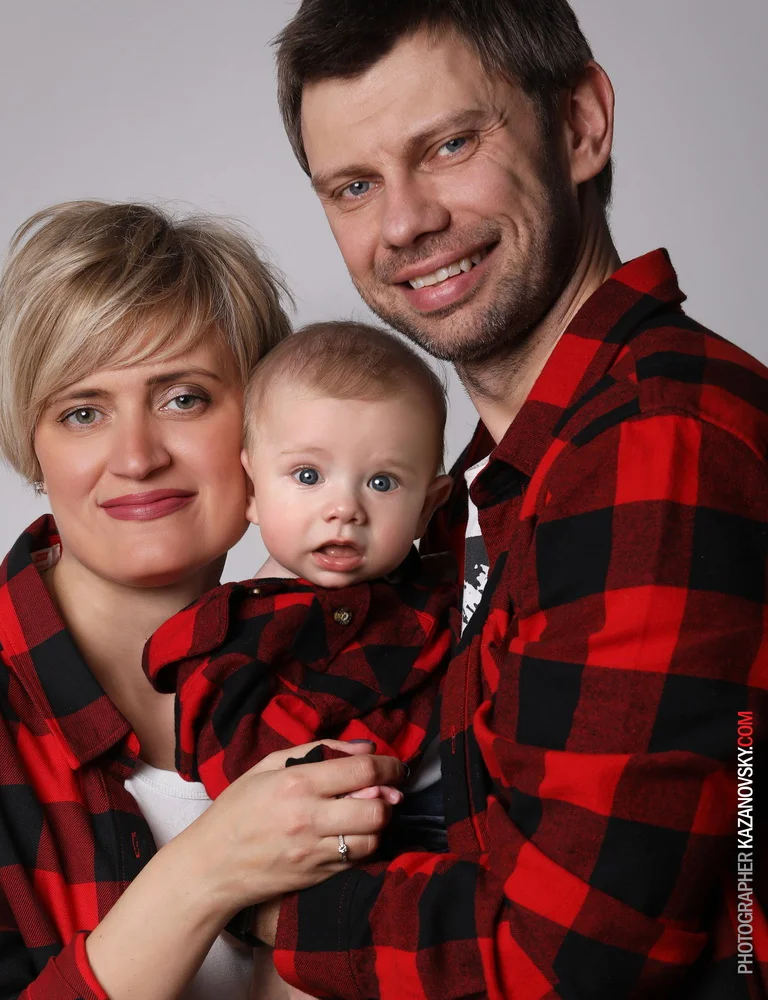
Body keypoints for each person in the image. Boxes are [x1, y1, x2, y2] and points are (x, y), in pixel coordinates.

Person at [249, 2, 768, 997]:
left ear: (580, 125)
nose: (405, 223)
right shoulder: (495, 482)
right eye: (354, 185)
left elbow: (564, 966)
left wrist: (252, 896)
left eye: (449, 145)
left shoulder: (654, 443)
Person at [0, 200, 408, 1000]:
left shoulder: (363, 659)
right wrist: (208, 869)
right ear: (34, 445)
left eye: (183, 398)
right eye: (82, 412)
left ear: (265, 426)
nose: (136, 456)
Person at [145, 322, 454, 816]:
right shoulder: (237, 633)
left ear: (426, 508)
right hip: (323, 834)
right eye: (308, 475)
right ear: (251, 490)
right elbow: (233, 766)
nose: (345, 509)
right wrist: (333, 775)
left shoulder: (444, 595)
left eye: (382, 482)